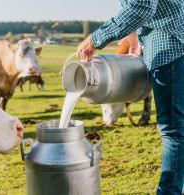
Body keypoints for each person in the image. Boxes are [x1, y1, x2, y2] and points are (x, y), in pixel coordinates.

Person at [77, 0, 184, 194]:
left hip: (171, 46)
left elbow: (141, 7)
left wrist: (95, 39)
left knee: (173, 130)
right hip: (174, 41)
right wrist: (132, 33)